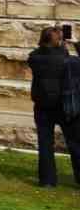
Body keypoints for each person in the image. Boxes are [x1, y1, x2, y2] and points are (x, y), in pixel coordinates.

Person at [28, 26, 80, 189]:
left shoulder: (34, 58)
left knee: (45, 144)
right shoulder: (69, 61)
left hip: (42, 107)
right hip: (66, 107)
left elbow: (42, 53)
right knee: (75, 144)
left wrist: (56, 43)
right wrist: (76, 44)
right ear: (60, 41)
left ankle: (47, 181)